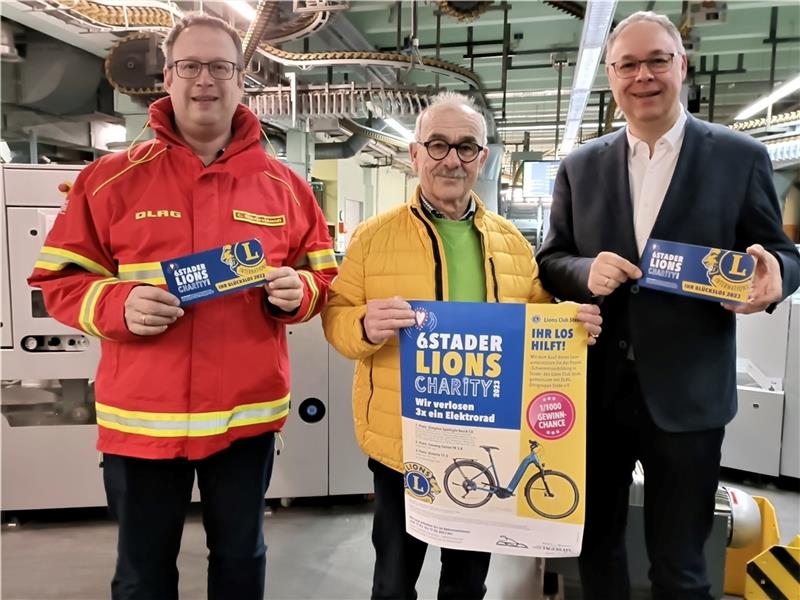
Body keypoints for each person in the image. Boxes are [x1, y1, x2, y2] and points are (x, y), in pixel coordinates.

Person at [28, 13, 336, 600]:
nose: (205, 80)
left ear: (241, 80)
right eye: (190, 66)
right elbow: (59, 283)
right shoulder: (107, 181)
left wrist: (300, 295)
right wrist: (117, 305)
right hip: (142, 422)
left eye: (221, 67)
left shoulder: (286, 187)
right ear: (167, 78)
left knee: (242, 563)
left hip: (244, 422)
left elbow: (323, 277)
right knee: (142, 574)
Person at [536, 11, 800, 600]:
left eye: (657, 60)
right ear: (611, 76)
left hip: (689, 393)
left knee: (681, 561)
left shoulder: (739, 156)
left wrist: (775, 278)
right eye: (627, 64)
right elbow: (551, 259)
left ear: (682, 65)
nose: (643, 76)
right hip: (597, 391)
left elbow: (782, 253)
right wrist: (586, 271)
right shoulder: (581, 166)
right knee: (595, 549)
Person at [321, 91, 602, 600]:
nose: (451, 158)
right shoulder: (370, 239)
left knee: (467, 583)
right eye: (438, 145)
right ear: (414, 154)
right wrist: (362, 324)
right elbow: (336, 319)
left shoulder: (512, 242)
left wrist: (571, 323)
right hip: (401, 445)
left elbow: (536, 319)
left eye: (467, 147)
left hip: (483, 439)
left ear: (483, 158)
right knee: (392, 581)